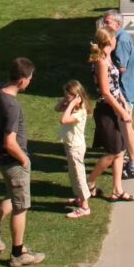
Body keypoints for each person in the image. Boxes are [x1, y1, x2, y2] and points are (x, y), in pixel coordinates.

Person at [0, 58, 46, 267]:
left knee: (13, 197)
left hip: (0, 158)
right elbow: (10, 142)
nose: (30, 82)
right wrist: (24, 159)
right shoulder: (12, 106)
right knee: (21, 207)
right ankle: (18, 254)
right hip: (13, 162)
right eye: (30, 79)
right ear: (22, 80)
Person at [85, 28, 134, 202]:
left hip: (115, 107)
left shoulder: (107, 58)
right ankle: (89, 182)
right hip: (106, 110)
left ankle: (117, 190)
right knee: (112, 152)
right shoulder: (100, 61)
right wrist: (121, 110)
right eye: (114, 38)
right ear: (109, 41)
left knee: (121, 150)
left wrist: (124, 101)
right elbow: (106, 93)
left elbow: (115, 85)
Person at [102, 10, 134, 178]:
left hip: (124, 90)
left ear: (117, 25)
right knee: (125, 126)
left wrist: (105, 58)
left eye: (107, 22)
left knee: (126, 126)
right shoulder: (123, 36)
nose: (104, 25)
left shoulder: (121, 40)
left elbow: (121, 68)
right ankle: (131, 158)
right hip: (128, 88)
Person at [57, 80, 91, 219]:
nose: (66, 98)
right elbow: (57, 108)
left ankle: (85, 206)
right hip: (70, 145)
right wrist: (66, 102)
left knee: (79, 175)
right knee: (73, 173)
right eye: (65, 96)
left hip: (75, 147)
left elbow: (63, 120)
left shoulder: (80, 112)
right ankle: (79, 198)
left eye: (69, 96)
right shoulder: (73, 108)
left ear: (77, 96)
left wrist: (70, 105)